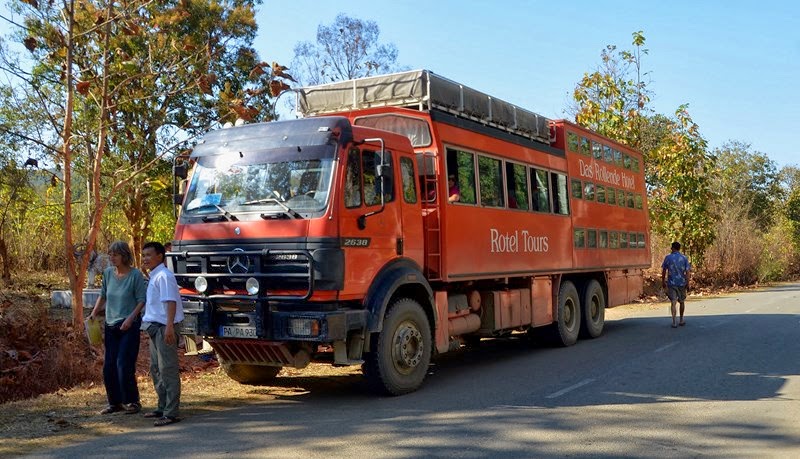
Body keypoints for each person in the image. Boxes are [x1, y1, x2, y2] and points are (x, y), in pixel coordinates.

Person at [89, 240, 147, 415]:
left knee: (124, 364)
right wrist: (94, 313)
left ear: (124, 255)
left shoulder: (135, 275)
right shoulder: (108, 273)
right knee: (109, 366)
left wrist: (131, 318)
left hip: (129, 325)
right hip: (111, 325)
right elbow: (103, 295)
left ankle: (132, 401)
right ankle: (114, 403)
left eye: (115, 254)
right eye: (110, 254)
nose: (112, 258)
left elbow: (141, 300)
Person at [141, 241, 184, 426]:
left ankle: (171, 412)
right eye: (144, 255)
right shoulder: (154, 275)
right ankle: (162, 406)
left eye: (149, 255)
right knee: (156, 368)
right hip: (154, 327)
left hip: (165, 327)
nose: (145, 259)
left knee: (168, 368)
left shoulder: (164, 276)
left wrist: (169, 327)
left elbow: (170, 301)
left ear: (160, 256)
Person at [661, 241, 691, 328]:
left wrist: (663, 281)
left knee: (673, 302)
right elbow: (687, 272)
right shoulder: (684, 258)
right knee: (682, 302)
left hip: (671, 283)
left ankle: (674, 322)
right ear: (679, 248)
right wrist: (687, 283)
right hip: (681, 283)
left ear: (673, 248)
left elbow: (664, 270)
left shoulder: (668, 258)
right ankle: (681, 320)